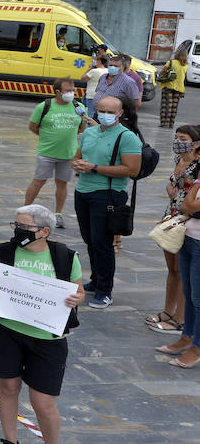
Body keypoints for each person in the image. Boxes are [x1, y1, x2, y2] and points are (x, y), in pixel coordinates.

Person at [0, 205, 84, 444]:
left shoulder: (65, 256)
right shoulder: (4, 252)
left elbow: (79, 291)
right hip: (7, 332)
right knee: (8, 388)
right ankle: (10, 441)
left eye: (23, 227)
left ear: (44, 232)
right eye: (16, 224)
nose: (17, 231)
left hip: (47, 339)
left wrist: (76, 299)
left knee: (43, 402)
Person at [71, 96, 142, 309]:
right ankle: (96, 280)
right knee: (90, 240)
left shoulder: (127, 137)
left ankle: (105, 290)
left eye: (110, 112)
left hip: (108, 194)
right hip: (83, 191)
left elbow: (132, 170)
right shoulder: (91, 132)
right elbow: (78, 156)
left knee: (102, 243)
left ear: (120, 113)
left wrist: (94, 167)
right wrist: (77, 164)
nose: (105, 115)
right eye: (101, 110)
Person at [149, 126, 200, 336]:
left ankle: (180, 319)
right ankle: (167, 312)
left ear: (196, 143)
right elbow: (174, 186)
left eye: (184, 138)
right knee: (172, 269)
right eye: (177, 137)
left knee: (182, 271)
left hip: (186, 219)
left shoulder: (198, 165)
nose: (179, 141)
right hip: (171, 216)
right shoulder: (179, 160)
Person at [25, 79, 87, 228]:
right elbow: (33, 126)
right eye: (67, 90)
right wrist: (48, 136)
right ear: (58, 92)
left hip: (68, 154)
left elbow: (81, 128)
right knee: (38, 181)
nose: (71, 93)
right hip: (47, 153)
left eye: (73, 90)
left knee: (62, 184)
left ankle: (58, 214)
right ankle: (26, 210)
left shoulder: (79, 107)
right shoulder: (44, 106)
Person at [164, 163, 200, 368]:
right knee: (188, 291)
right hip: (189, 237)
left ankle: (197, 347)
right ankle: (187, 336)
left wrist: (196, 185)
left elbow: (188, 205)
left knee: (198, 297)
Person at [158, 45, 188, 129]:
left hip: (168, 86)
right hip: (179, 88)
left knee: (166, 105)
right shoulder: (186, 66)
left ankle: (164, 123)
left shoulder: (171, 62)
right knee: (174, 106)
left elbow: (162, 73)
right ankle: (171, 123)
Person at [80, 53, 109, 119]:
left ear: (99, 61)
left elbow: (83, 77)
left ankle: (90, 127)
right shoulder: (107, 71)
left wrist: (89, 68)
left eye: (95, 60)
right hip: (103, 95)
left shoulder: (94, 71)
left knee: (91, 114)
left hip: (91, 95)